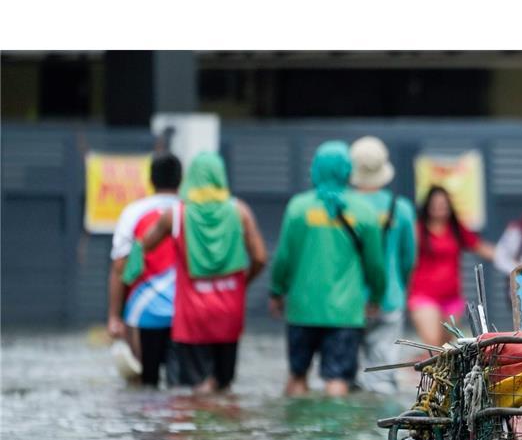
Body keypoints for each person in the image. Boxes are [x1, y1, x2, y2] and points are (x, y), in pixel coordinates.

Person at [140, 151, 268, 393]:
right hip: (229, 310)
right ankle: (223, 429)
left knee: (194, 388)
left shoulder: (177, 214)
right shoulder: (239, 211)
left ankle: (197, 428)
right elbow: (260, 257)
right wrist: (244, 282)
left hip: (192, 314)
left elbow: (145, 244)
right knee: (224, 385)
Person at [269, 141, 386, 397]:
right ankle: (335, 432)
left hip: (302, 309)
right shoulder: (364, 212)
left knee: (297, 375)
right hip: (345, 312)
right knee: (337, 379)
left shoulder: (298, 208)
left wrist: (277, 292)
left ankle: (296, 432)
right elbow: (375, 265)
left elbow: (283, 258)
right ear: (347, 171)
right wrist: (376, 297)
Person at [348, 136, 417, 395]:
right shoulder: (400, 208)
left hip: (348, 302)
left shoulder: (344, 206)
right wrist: (399, 286)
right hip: (390, 298)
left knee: (345, 380)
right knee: (383, 378)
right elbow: (408, 257)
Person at [107, 152, 182, 386]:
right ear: (181, 180)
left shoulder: (133, 212)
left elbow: (120, 267)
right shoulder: (189, 211)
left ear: (150, 180)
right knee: (181, 392)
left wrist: (114, 317)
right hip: (184, 314)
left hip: (143, 313)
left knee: (143, 386)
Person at [407, 185, 496, 348]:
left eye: (443, 204)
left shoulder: (455, 229)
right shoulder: (417, 229)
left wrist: (510, 260)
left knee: (446, 348)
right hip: (424, 296)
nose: (439, 208)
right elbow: (404, 255)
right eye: (435, 204)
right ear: (428, 206)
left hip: (452, 299)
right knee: (432, 343)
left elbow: (481, 247)